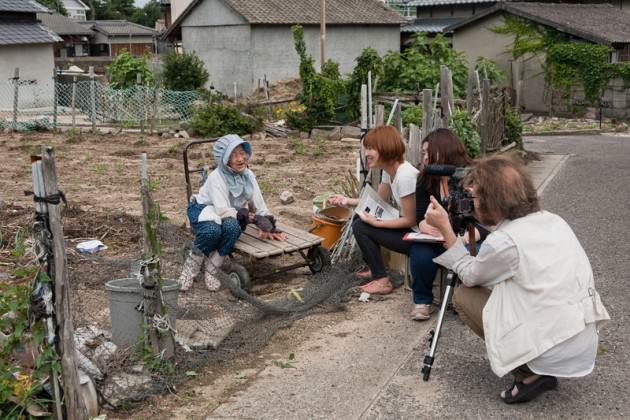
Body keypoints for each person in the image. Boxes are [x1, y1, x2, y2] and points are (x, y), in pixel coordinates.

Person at [424, 154, 610, 404]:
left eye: (475, 197)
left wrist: (447, 230)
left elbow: (469, 276)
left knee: (464, 296)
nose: (471, 202)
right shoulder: (553, 220)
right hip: (580, 338)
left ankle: (530, 373)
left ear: (494, 200)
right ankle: (536, 364)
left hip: (552, 348)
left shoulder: (505, 241)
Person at [178, 134, 287, 291]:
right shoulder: (217, 177)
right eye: (234, 155)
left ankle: (211, 270)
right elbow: (222, 210)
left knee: (233, 228)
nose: (240, 159)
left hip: (229, 212)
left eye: (242, 153)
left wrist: (268, 225)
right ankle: (189, 271)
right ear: (224, 159)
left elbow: (259, 203)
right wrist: (252, 218)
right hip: (204, 209)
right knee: (212, 232)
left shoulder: (248, 175)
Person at [329, 125, 417, 295]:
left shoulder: (405, 176)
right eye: (366, 148)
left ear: (385, 147)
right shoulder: (390, 171)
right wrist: (347, 201)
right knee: (359, 219)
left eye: (371, 148)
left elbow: (411, 220)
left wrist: (377, 223)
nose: (366, 153)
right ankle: (376, 270)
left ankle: (382, 280)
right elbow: (380, 201)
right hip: (412, 229)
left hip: (420, 237)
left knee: (361, 227)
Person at [408, 128, 482, 321]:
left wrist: (464, 239)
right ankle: (422, 301)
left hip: (468, 236)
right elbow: (420, 218)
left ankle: (465, 302)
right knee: (420, 251)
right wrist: (427, 227)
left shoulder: (471, 177)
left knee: (481, 252)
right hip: (437, 238)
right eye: (423, 153)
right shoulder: (425, 180)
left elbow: (484, 221)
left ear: (443, 150)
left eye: (427, 152)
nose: (424, 158)